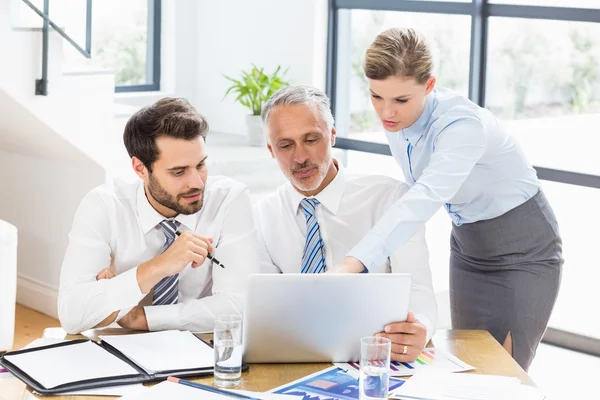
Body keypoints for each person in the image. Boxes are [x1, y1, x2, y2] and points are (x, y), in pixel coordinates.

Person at [332, 27, 563, 370]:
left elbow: (423, 198)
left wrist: (352, 264)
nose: (386, 112)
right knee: (466, 367)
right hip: (469, 248)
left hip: (524, 252)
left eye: (400, 100)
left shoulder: (462, 126)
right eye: (376, 96)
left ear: (429, 85)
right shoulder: (396, 117)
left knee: (502, 372)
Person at [254, 85, 437, 362]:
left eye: (312, 139)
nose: (300, 157)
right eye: (285, 145)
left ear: (332, 136)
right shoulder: (263, 215)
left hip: (375, 356)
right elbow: (265, 309)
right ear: (271, 149)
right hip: (294, 357)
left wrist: (420, 326)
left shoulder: (389, 198)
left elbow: (419, 287)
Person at [58, 98, 259, 334]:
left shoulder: (229, 200)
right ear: (140, 169)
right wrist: (159, 266)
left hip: (200, 349)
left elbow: (239, 307)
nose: (197, 182)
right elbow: (72, 315)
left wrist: (142, 317)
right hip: (120, 347)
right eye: (179, 171)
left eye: (201, 165)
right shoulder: (104, 205)